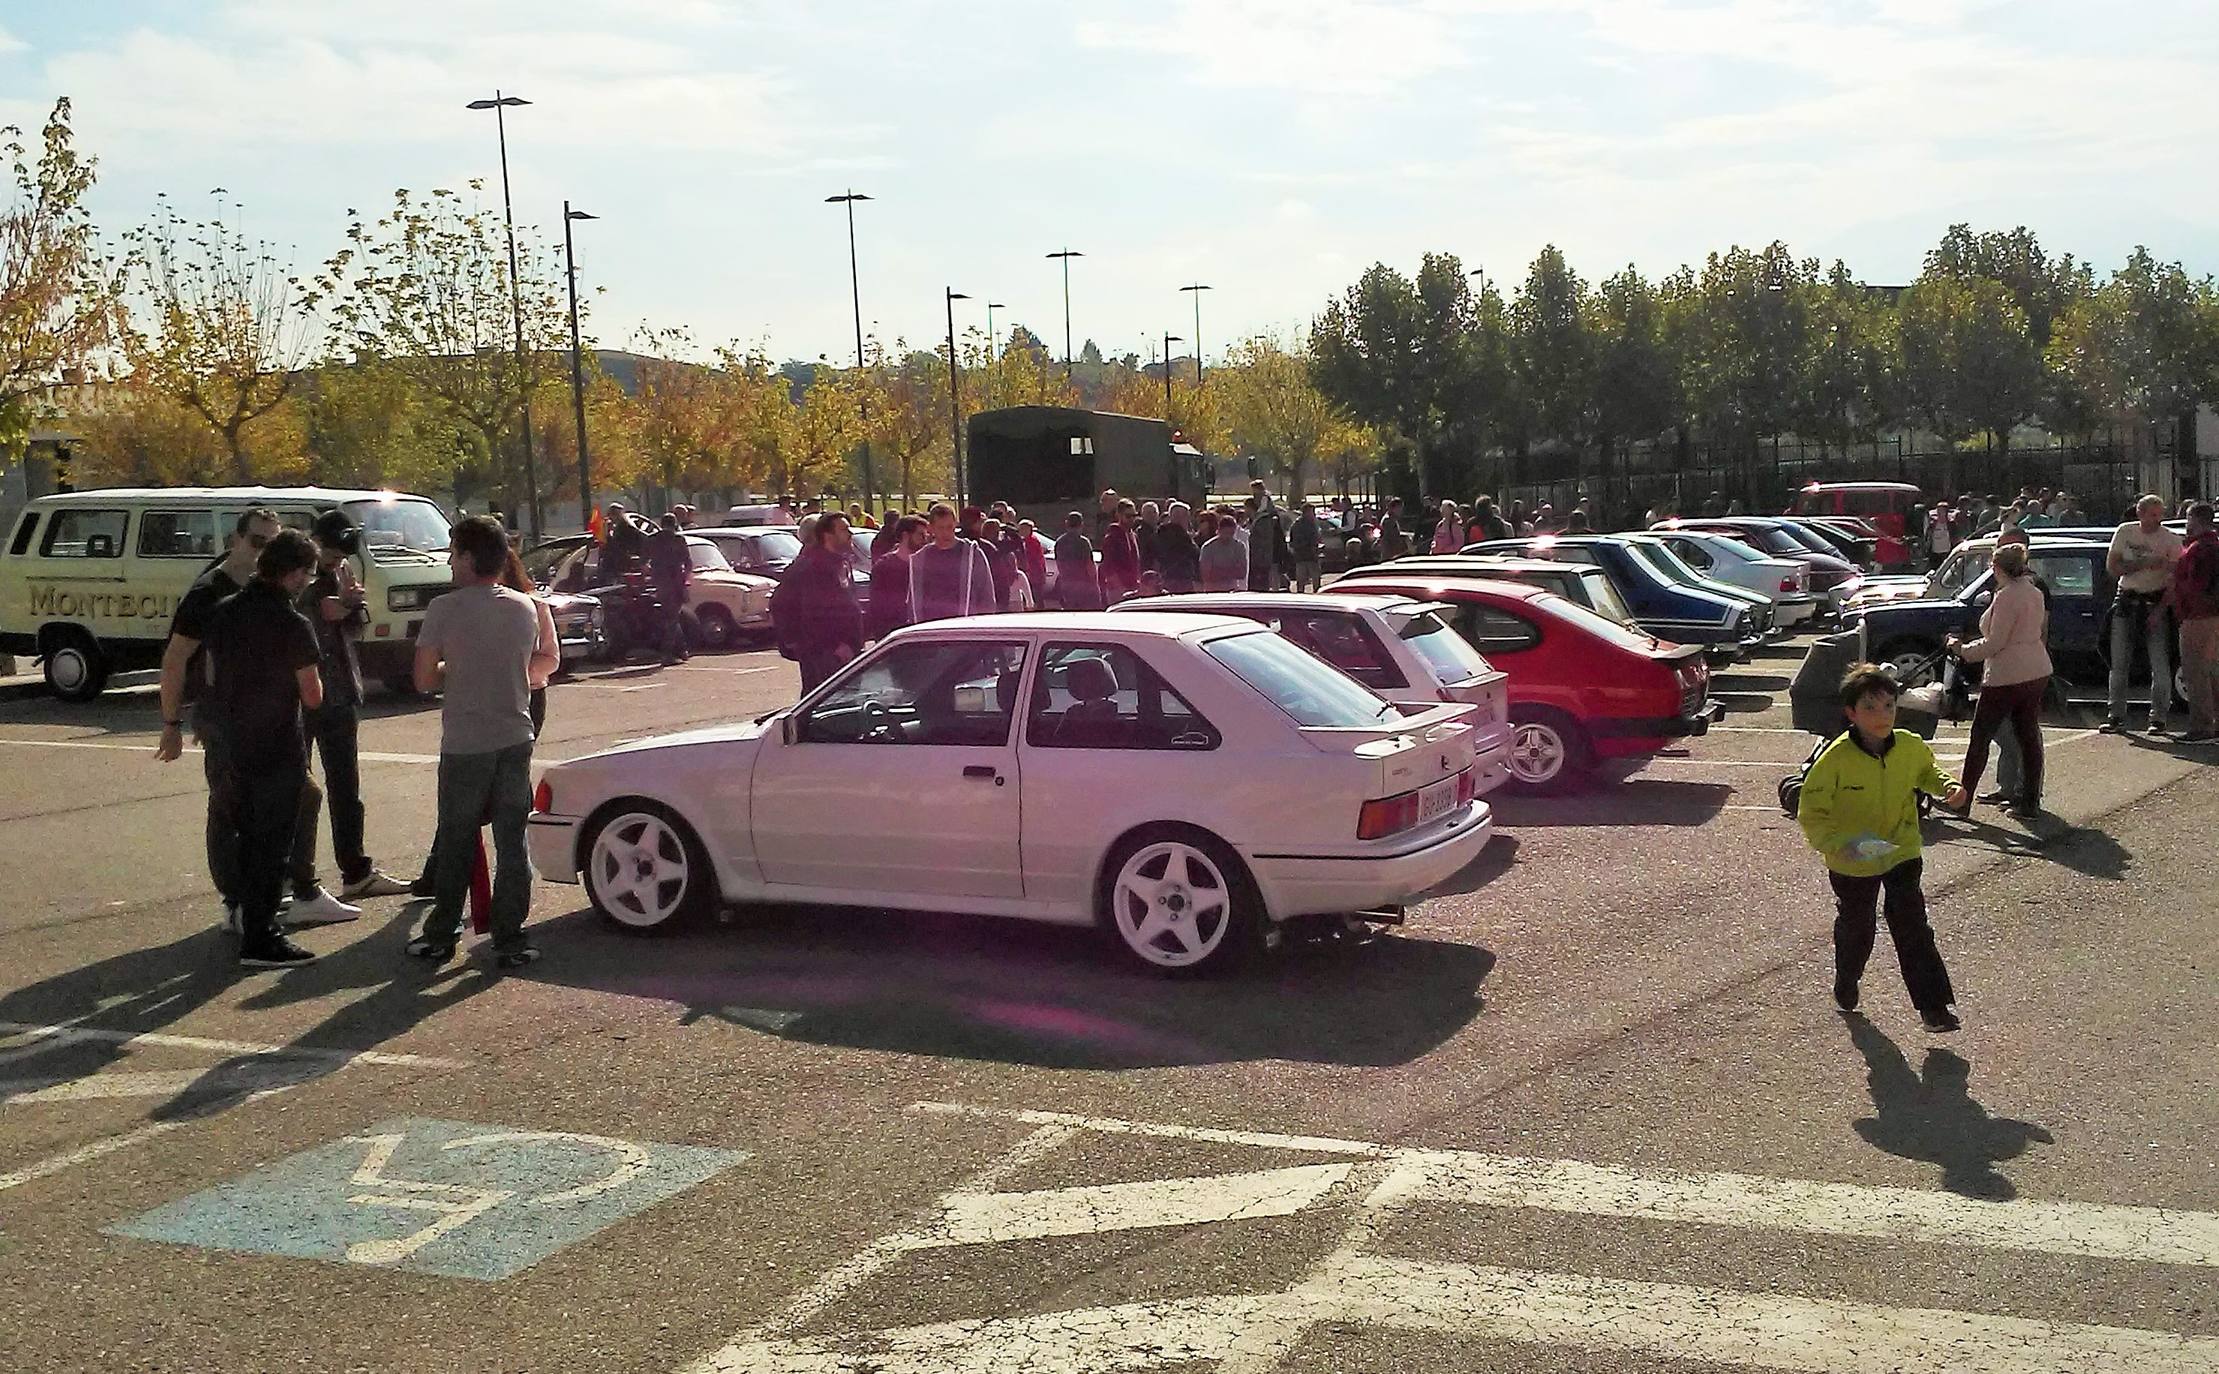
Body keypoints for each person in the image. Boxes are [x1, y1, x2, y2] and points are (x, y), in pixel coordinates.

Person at [156, 509, 358, 931]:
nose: (263, 550)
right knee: (230, 809)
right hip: (224, 721)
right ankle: (238, 902)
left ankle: (300, 889)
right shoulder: (210, 593)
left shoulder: (272, 590)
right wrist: (171, 723)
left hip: (275, 722)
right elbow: (175, 660)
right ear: (236, 540)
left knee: (303, 796)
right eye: (256, 541)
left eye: (272, 541)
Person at [409, 516, 557, 969]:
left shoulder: (444, 609)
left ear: (469, 558)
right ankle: (510, 936)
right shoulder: (524, 607)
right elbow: (533, 668)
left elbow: (421, 679)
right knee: (513, 842)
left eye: (454, 554)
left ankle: (443, 932)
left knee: (457, 839)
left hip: (465, 742)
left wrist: (454, 669)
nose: (450, 562)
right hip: (515, 735)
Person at [1796, 664, 1967, 1032]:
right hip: (1853, 857)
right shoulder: (1835, 758)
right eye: (1870, 708)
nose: (1882, 715)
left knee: (1912, 925)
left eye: (1889, 705)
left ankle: (1934, 1008)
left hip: (1900, 847)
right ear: (1851, 713)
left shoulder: (1909, 745)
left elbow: (1927, 771)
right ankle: (1846, 979)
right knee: (1858, 928)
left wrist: (1948, 787)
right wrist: (1842, 845)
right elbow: (1812, 812)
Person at [304, 511, 412, 901]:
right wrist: (324, 603)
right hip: (301, 693)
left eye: (340, 552)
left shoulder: (344, 571)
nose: (334, 559)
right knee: (299, 790)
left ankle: (356, 869)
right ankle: (295, 879)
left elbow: (356, 623)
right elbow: (294, 616)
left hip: (341, 692)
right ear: (314, 541)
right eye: (329, 550)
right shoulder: (298, 571)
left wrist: (352, 604)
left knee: (346, 788)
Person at [1946, 543, 2053, 817]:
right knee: (2028, 736)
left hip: (2007, 674)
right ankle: (2029, 801)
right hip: (2036, 668)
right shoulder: (2034, 592)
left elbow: (1996, 642)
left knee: (1980, 736)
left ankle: (1962, 800)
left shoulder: (2006, 596)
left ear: (1996, 568)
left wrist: (1962, 650)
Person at [2105, 495, 2184, 733]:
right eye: (2152, 514)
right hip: (2127, 598)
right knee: (2119, 662)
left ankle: (2158, 718)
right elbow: (2113, 567)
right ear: (2140, 513)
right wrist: (2143, 564)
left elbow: (2175, 577)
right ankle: (2115, 716)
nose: (2157, 520)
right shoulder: (2125, 532)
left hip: (2156, 599)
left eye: (2160, 515)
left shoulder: (2170, 539)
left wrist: (2160, 611)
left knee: (2159, 663)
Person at [772, 511, 866, 692]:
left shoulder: (841, 563)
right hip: (825, 654)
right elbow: (813, 614)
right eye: (844, 530)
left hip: (849, 650)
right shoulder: (814, 567)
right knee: (825, 701)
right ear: (827, 535)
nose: (850, 534)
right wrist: (835, 645)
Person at [2166, 501, 2219, 745]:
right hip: (2210, 615)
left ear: (2196, 519)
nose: (2187, 523)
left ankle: (2201, 726)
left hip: (2198, 616)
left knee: (2195, 671)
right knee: (2212, 671)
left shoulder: (2200, 549)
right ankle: (2213, 722)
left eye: (2189, 518)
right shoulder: (2211, 545)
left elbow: (2194, 585)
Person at [909, 502, 997, 622]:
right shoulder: (920, 559)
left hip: (965, 626)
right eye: (940, 528)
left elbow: (986, 595)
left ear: (956, 524)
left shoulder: (972, 554)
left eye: (949, 527)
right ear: (930, 528)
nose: (945, 533)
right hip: (931, 628)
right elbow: (914, 600)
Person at [868, 514, 927, 642]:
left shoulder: (925, 566)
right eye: (920, 535)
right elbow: (877, 608)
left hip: (922, 636)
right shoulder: (884, 567)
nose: (925, 540)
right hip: (895, 638)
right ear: (906, 535)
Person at [644, 512, 693, 665]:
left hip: (660, 581)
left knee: (671, 616)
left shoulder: (652, 539)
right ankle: (667, 654)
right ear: (675, 524)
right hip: (675, 580)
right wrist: (685, 578)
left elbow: (643, 562)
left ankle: (682, 649)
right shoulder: (678, 539)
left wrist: (652, 573)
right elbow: (688, 562)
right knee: (672, 618)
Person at [1052, 511, 1101, 610]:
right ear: (1081, 524)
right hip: (1084, 585)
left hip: (1067, 584)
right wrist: (1095, 585)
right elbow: (1089, 565)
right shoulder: (1083, 542)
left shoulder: (1059, 542)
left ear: (1066, 523)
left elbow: (1059, 564)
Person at [1246, 494, 1294, 592]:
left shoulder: (1264, 520)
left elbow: (1265, 541)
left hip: (1268, 557)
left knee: (1272, 579)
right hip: (1266, 556)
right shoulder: (1255, 520)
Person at [1099, 499, 1142, 601]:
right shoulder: (1112, 537)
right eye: (1128, 516)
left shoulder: (1133, 536)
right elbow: (1108, 564)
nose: (1132, 519)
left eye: (1134, 516)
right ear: (1119, 515)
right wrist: (1118, 586)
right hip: (1117, 589)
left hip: (1133, 586)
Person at [1157, 503, 1200, 593]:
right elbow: (1194, 553)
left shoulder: (1158, 534)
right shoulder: (1179, 536)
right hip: (1179, 579)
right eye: (1186, 517)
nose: (1188, 521)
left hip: (1166, 578)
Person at [1199, 512, 1248, 592]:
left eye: (1231, 533)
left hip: (1232, 590)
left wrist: (1218, 570)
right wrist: (1231, 571)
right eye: (1225, 533)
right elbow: (1206, 575)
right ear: (1218, 530)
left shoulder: (1239, 547)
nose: (1228, 536)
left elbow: (1242, 573)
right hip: (1212, 591)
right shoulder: (1208, 547)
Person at [1014, 518, 1051, 601]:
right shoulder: (1024, 541)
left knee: (1036, 595)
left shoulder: (1032, 541)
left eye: (1023, 528)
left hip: (1035, 573)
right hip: (1031, 573)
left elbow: (1034, 558)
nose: (1020, 531)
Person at [1289, 503, 1323, 593]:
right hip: (1306, 555)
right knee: (1306, 579)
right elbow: (1296, 540)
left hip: (1307, 555)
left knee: (1309, 579)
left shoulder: (1309, 523)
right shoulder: (1300, 525)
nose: (1313, 514)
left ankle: (1313, 592)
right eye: (1312, 512)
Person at [1136, 501, 1162, 574]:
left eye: (1154, 512)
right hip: (1145, 570)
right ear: (1142, 515)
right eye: (1148, 513)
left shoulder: (1161, 532)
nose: (1152, 515)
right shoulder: (1140, 533)